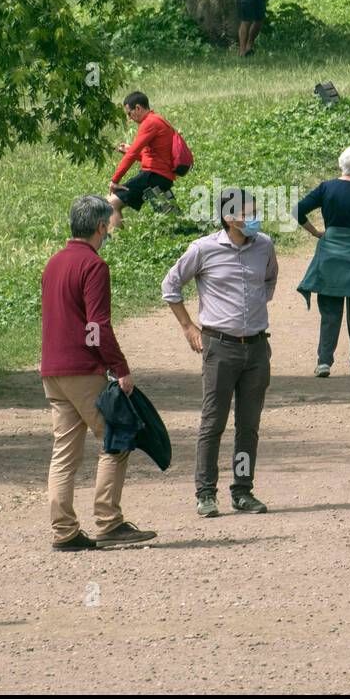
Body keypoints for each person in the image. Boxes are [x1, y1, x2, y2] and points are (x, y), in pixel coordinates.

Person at [40, 195, 155, 550]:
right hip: (82, 368)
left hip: (52, 370)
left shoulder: (54, 262)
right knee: (117, 439)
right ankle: (109, 521)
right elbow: (96, 324)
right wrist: (118, 367)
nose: (112, 229)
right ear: (100, 226)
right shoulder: (93, 266)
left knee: (64, 453)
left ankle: (64, 530)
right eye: (110, 223)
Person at [162, 187, 277, 518]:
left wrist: (252, 306)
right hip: (219, 347)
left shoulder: (264, 246)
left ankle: (242, 491)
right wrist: (188, 327)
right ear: (229, 217)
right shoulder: (203, 249)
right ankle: (206, 493)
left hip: (256, 348)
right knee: (213, 422)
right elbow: (170, 287)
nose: (255, 218)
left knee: (248, 425)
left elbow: (269, 281)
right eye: (248, 212)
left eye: (256, 211)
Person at [295, 145, 350, 377]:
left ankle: (324, 362)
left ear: (340, 164)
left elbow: (298, 210)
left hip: (330, 254)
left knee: (330, 312)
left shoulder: (326, 188)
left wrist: (315, 233)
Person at [107, 91, 177, 230]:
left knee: (111, 204)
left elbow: (133, 154)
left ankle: (119, 244)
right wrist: (129, 150)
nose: (130, 118)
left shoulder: (149, 122)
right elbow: (152, 156)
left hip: (153, 175)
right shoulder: (157, 119)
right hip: (160, 175)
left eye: (129, 113)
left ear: (138, 108)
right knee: (170, 217)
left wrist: (115, 180)